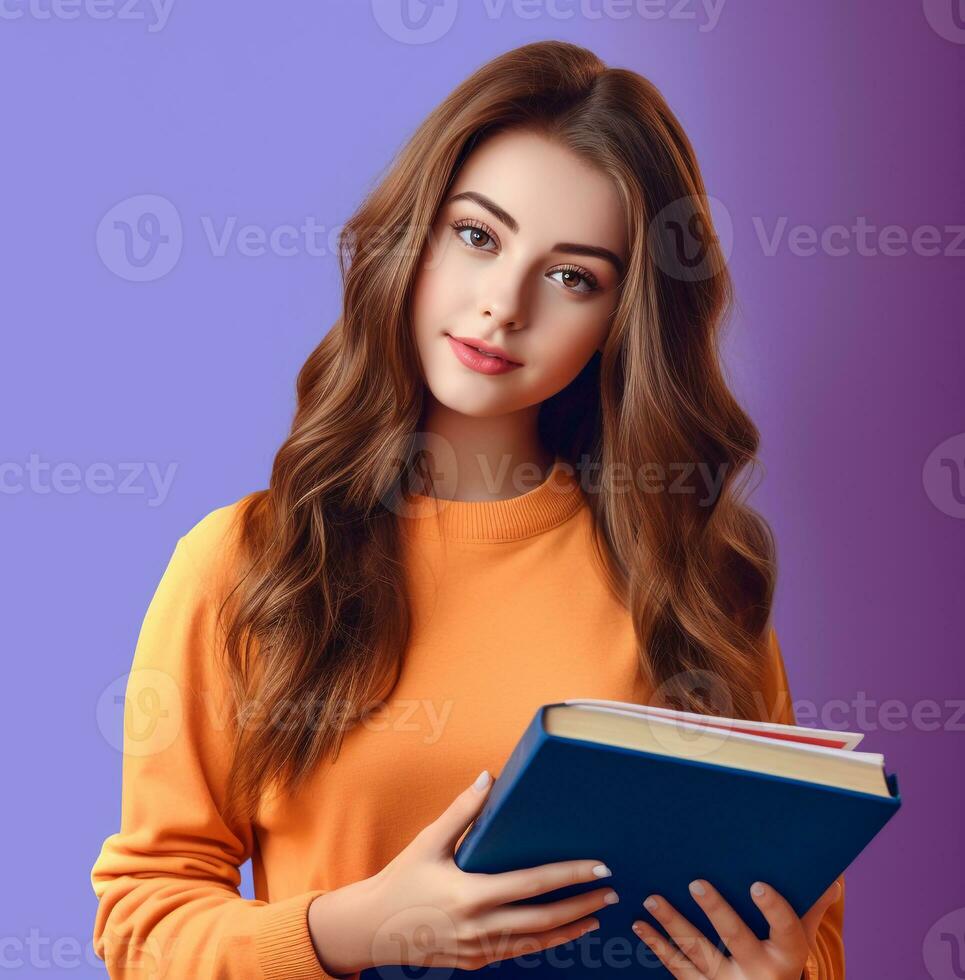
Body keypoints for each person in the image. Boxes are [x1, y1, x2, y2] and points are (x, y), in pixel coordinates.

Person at [90, 39, 845, 979]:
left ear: (623, 321)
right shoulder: (246, 563)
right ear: (413, 236)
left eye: (573, 277)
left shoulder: (689, 578)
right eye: (478, 236)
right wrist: (359, 928)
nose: (503, 305)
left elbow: (807, 935)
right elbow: (142, 928)